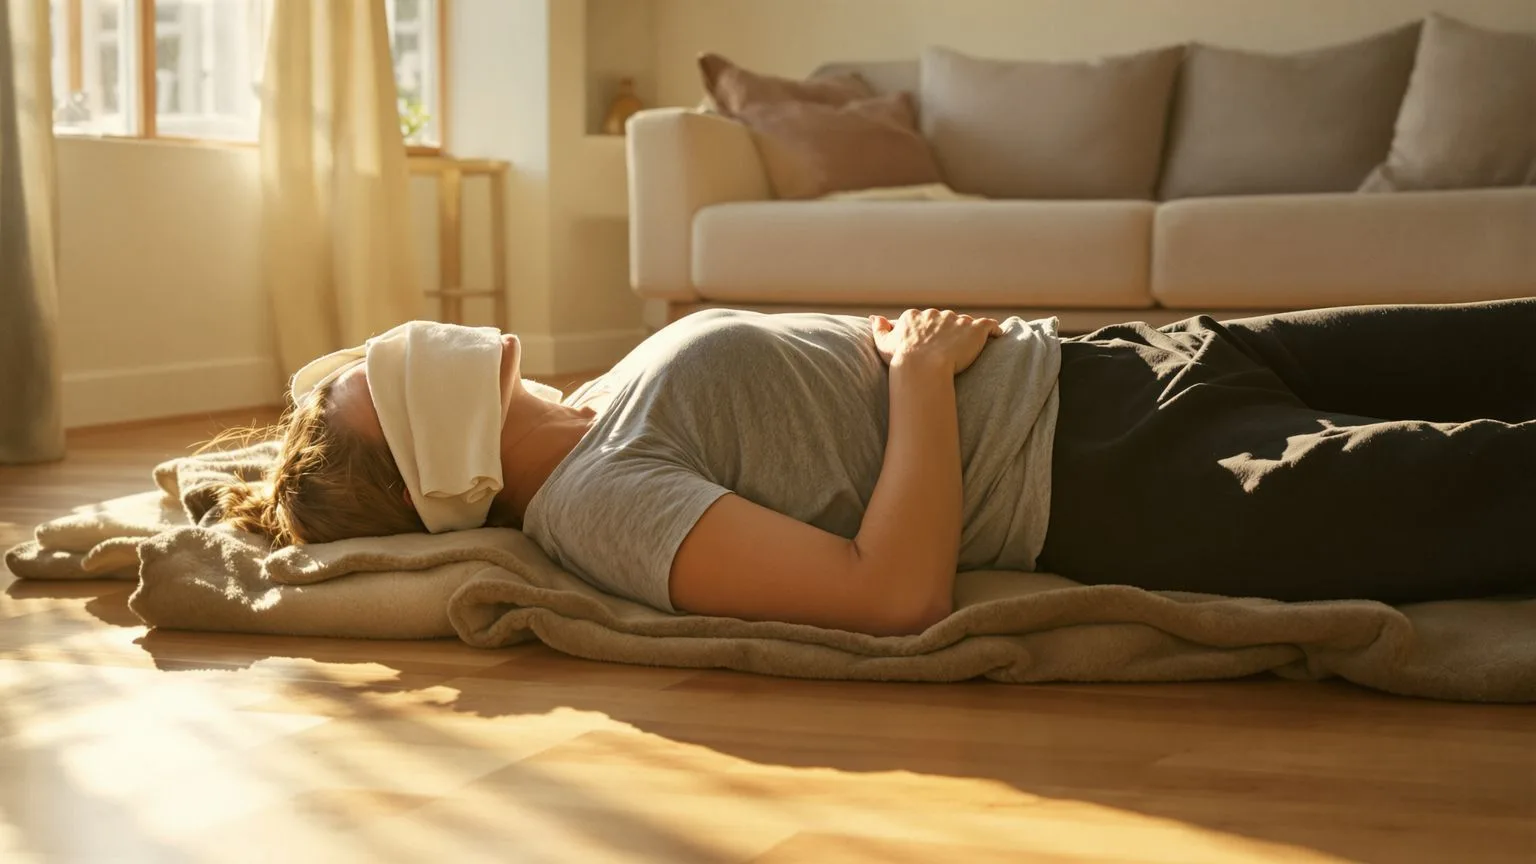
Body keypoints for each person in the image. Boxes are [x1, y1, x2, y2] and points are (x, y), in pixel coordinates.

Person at [219, 301, 1536, 636]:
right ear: (440, 466)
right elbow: (892, 592)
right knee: (1496, 482)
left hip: (1126, 359)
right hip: (1125, 473)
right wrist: (915, 378)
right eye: (389, 384)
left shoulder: (595, 401)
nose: (410, 346)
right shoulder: (598, 505)